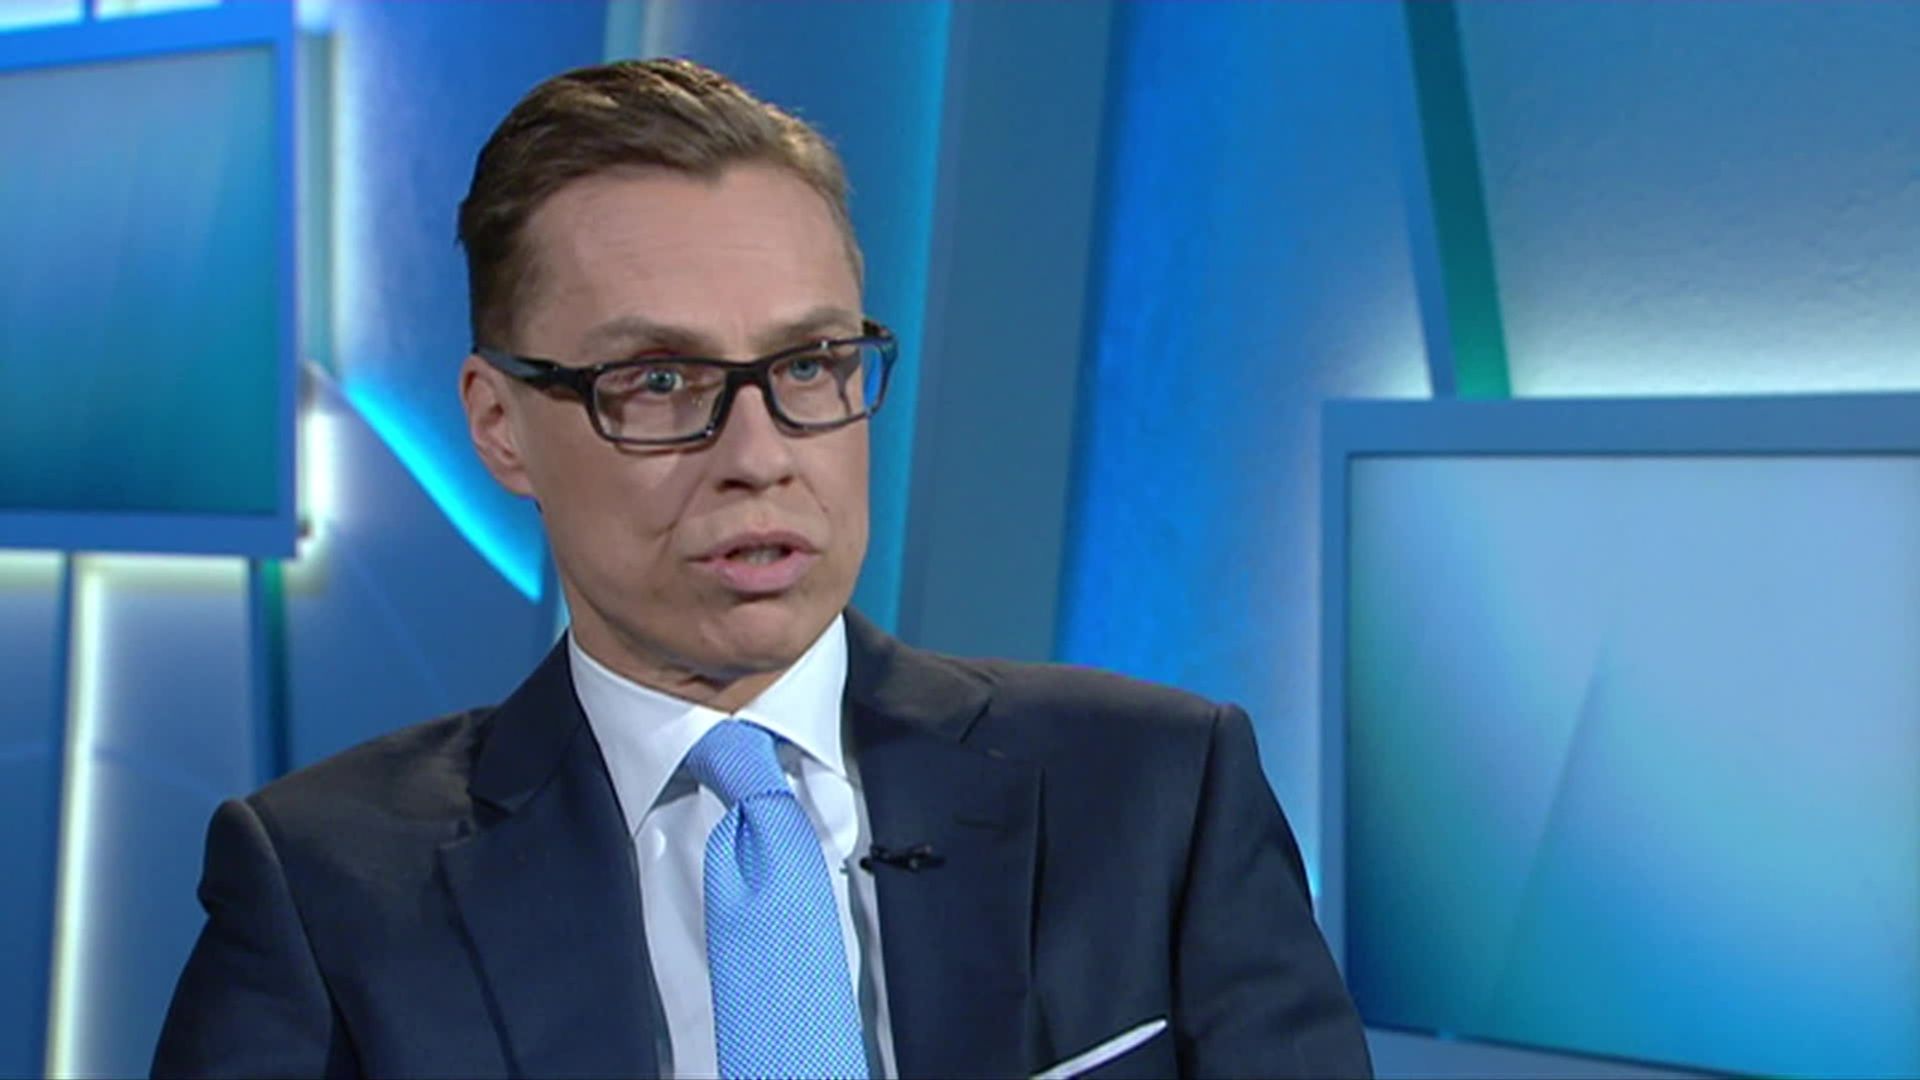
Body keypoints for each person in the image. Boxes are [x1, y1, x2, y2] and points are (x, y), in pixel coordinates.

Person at [152, 58, 1370, 1079]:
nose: (759, 457)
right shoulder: (323, 891)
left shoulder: (1157, 794)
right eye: (659, 381)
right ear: (498, 425)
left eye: (809, 365)